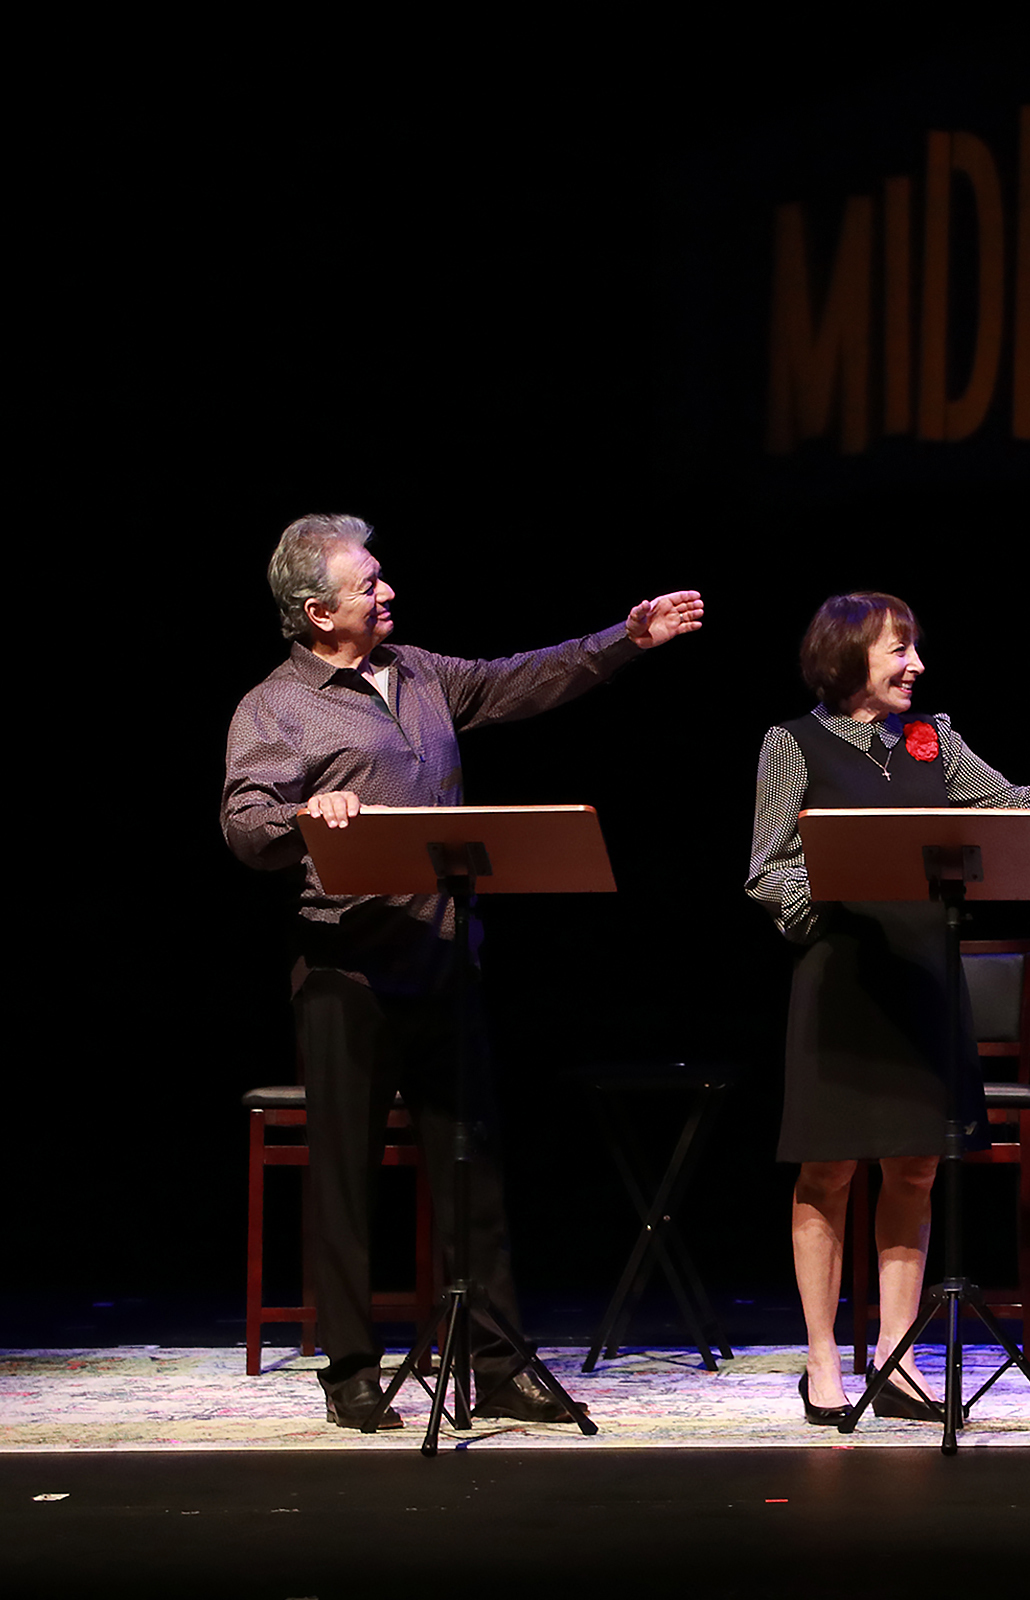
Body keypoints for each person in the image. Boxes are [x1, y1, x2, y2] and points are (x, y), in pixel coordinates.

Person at [222, 513, 704, 1432]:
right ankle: (350, 1371)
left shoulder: (419, 674)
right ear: (319, 612)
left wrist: (626, 640)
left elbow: (521, 678)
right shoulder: (274, 707)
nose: (387, 591)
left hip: (443, 955)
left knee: (472, 1169)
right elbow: (246, 825)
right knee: (346, 1177)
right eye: (368, 583)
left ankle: (498, 1363)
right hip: (345, 969)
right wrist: (307, 819)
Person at [747, 591, 1030, 1424]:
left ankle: (897, 1359)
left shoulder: (935, 739)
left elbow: (1021, 816)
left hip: (924, 976)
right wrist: (838, 886)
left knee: (916, 1166)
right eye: (899, 649)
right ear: (848, 655)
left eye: (913, 648)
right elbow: (768, 868)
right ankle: (822, 1359)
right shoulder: (793, 743)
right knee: (829, 1168)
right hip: (842, 978)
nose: (916, 665)